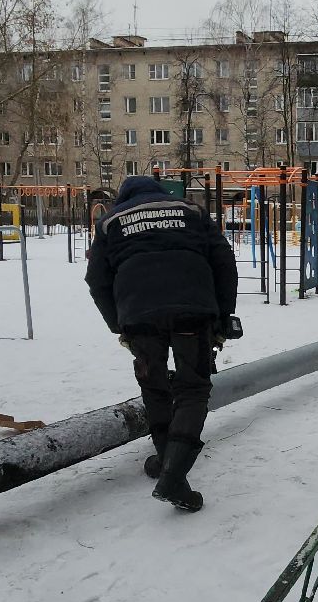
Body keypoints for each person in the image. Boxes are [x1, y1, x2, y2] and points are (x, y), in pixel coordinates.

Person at [86, 176, 240, 511]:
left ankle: (166, 463)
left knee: (155, 387)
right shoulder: (192, 211)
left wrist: (119, 325)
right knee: (193, 389)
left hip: (139, 314)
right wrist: (224, 316)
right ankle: (173, 473)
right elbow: (224, 261)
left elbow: (97, 280)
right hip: (192, 310)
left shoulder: (110, 222)